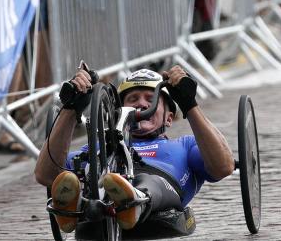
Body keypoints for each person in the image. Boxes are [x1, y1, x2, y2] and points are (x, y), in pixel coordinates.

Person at [35, 67, 235, 232]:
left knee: (149, 182)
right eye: (133, 99)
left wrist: (189, 104)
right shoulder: (99, 147)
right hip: (102, 185)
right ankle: (76, 203)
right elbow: (46, 174)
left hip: (158, 184)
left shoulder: (185, 145)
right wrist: (71, 108)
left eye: (150, 99)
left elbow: (223, 166)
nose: (141, 103)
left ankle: (134, 200)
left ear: (169, 117)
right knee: (77, 177)